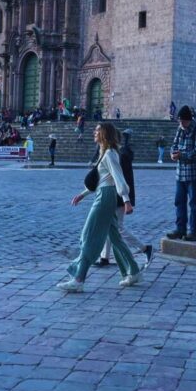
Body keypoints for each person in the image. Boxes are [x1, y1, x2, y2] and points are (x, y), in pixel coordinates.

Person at [58, 122, 141, 293]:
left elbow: (118, 178)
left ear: (104, 133)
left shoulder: (110, 154)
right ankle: (133, 270)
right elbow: (102, 179)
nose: (94, 132)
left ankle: (79, 278)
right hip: (103, 193)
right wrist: (83, 194)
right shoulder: (105, 153)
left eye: (97, 130)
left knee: (88, 235)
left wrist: (126, 201)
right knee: (114, 236)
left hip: (105, 197)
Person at [99, 129, 153, 269]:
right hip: (117, 194)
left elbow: (120, 179)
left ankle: (144, 248)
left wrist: (126, 200)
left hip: (120, 196)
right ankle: (104, 257)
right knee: (108, 225)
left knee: (118, 228)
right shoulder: (119, 154)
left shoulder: (119, 155)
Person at [166, 105, 196, 242]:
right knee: (179, 202)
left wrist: (182, 155)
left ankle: (195, 232)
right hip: (180, 173)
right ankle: (180, 229)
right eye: (180, 121)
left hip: (193, 173)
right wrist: (173, 153)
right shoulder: (180, 129)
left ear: (189, 120)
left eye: (183, 121)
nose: (181, 124)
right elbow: (174, 145)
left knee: (194, 203)